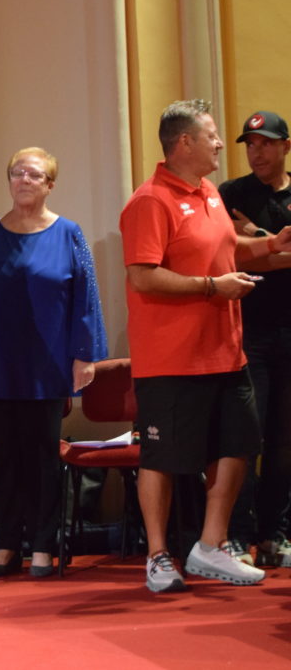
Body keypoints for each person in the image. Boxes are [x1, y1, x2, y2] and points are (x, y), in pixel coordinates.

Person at [119, 99, 291, 593]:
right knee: (161, 459)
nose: (220, 143)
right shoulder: (150, 201)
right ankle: (157, 555)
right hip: (171, 359)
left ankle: (211, 546)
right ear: (184, 142)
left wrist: (271, 245)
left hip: (226, 352)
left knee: (239, 446)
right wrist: (213, 288)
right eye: (212, 135)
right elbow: (143, 276)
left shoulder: (210, 192)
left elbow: (228, 250)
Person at [0, 147, 107, 578]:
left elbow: (86, 296)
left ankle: (42, 545)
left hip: (47, 363)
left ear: (50, 185)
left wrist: (85, 354)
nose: (23, 179)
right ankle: (7, 544)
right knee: (4, 455)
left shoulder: (69, 233)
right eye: (17, 172)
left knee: (42, 455)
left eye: (34, 174)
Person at [219, 110, 291, 568]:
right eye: (250, 144)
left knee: (285, 442)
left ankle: (273, 534)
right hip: (249, 333)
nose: (256, 152)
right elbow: (232, 259)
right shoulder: (231, 194)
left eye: (265, 143)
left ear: (286, 146)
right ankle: (238, 536)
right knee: (249, 437)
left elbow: (253, 251)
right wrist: (272, 245)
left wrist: (257, 237)